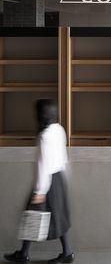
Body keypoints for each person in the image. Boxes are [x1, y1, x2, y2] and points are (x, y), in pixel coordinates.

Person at [4, 99, 74, 264]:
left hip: (47, 181)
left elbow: (43, 165)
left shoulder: (44, 136)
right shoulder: (59, 129)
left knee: (32, 216)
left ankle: (24, 255)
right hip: (59, 178)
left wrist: (40, 191)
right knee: (59, 216)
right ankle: (67, 253)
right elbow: (62, 155)